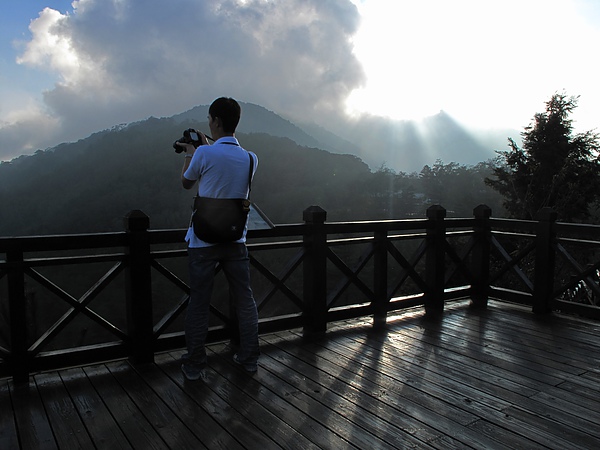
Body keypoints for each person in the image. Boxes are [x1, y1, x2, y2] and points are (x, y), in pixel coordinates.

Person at [177, 97, 259, 381]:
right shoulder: (251, 158)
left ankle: (195, 364)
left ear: (216, 121)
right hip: (236, 240)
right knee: (245, 300)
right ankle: (249, 359)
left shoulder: (203, 155)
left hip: (203, 241)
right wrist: (206, 146)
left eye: (210, 119)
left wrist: (191, 151)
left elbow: (187, 183)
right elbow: (226, 165)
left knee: (199, 302)